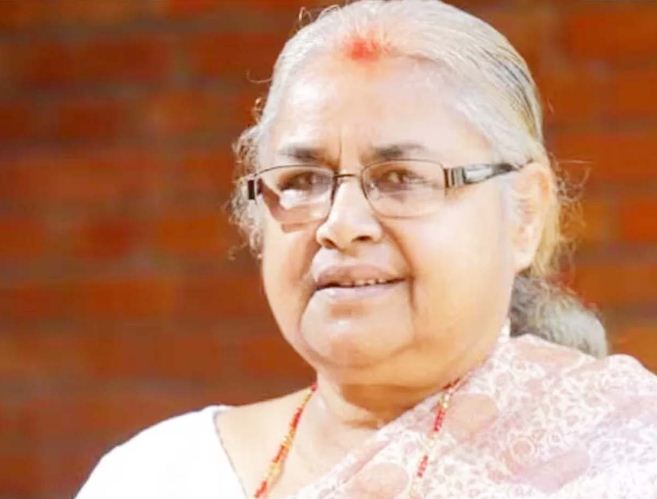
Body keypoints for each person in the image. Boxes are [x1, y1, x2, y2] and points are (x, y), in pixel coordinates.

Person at [77, 1, 657, 497]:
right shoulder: (160, 474)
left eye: (401, 177)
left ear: (524, 213)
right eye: (303, 180)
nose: (341, 224)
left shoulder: (625, 459)